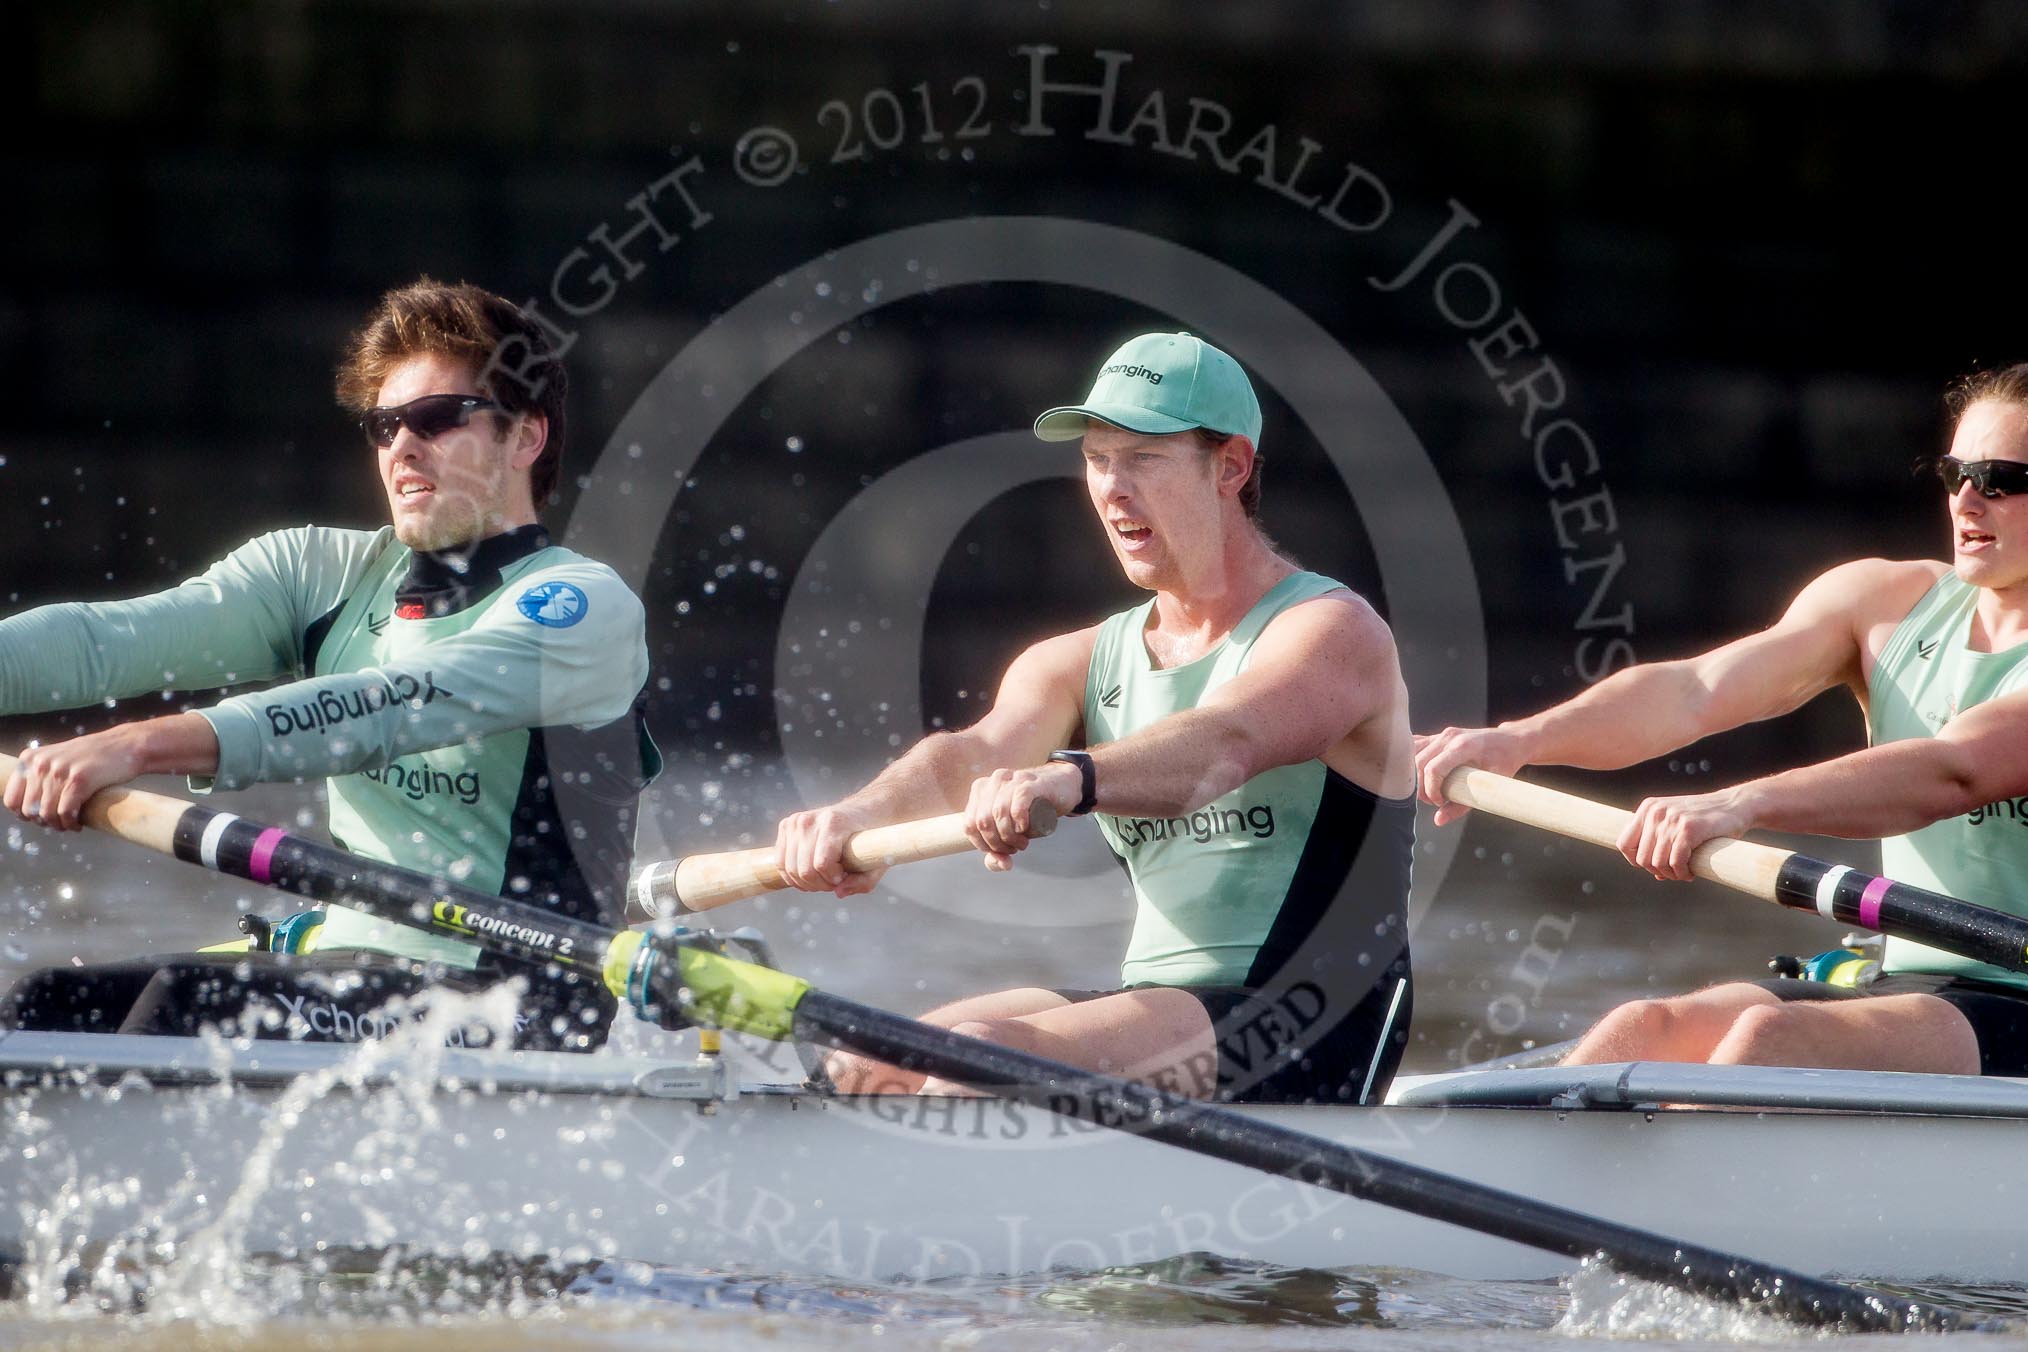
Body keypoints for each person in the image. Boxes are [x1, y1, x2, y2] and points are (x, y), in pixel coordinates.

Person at [0, 278, 658, 1050]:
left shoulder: (580, 608)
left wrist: (134, 745)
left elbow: (384, 706)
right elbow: (106, 641)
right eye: (384, 425)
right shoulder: (319, 574)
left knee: (184, 1003)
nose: (402, 446)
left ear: (526, 438)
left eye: (438, 418)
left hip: (519, 1002)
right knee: (44, 1003)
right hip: (346, 967)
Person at [772, 332, 1417, 1103]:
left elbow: (1227, 744)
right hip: (1169, 1010)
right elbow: (972, 753)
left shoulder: (1331, 632)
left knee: (975, 1062)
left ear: (1231, 467)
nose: (1112, 486)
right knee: (863, 1067)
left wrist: (1069, 778)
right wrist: (856, 816)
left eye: (1144, 457)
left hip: (1321, 1020)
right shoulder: (1076, 662)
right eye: (1098, 457)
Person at [1415, 364, 2028, 1078]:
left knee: (1769, 1041)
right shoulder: (1883, 602)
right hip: (1901, 976)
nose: (1965, 500)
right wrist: (1521, 741)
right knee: (1642, 1029)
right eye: (1954, 473)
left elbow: (1952, 772)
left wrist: (1742, 803)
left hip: (2014, 993)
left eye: (2000, 478)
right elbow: (1694, 690)